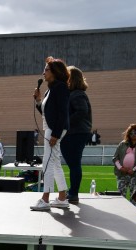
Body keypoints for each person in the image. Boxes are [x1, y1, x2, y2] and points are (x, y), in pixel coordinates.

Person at [31, 56, 70, 211]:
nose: (43, 73)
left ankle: (45, 199)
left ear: (55, 72)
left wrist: (55, 134)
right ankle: (62, 197)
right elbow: (46, 113)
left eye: (46, 69)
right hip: (51, 127)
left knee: (47, 164)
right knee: (54, 163)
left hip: (54, 129)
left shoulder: (60, 88)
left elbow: (62, 113)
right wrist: (39, 101)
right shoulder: (50, 89)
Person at [60, 66, 92, 204]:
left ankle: (73, 193)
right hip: (76, 132)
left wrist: (65, 123)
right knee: (73, 163)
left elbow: (81, 111)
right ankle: (73, 192)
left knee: (74, 164)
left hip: (76, 133)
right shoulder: (74, 93)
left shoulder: (77, 94)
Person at [112, 124, 136, 199]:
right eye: (131, 133)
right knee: (120, 197)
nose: (133, 135)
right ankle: (120, 210)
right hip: (122, 174)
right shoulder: (122, 144)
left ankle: (134, 211)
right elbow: (115, 157)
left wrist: (134, 170)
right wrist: (120, 168)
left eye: (135, 132)